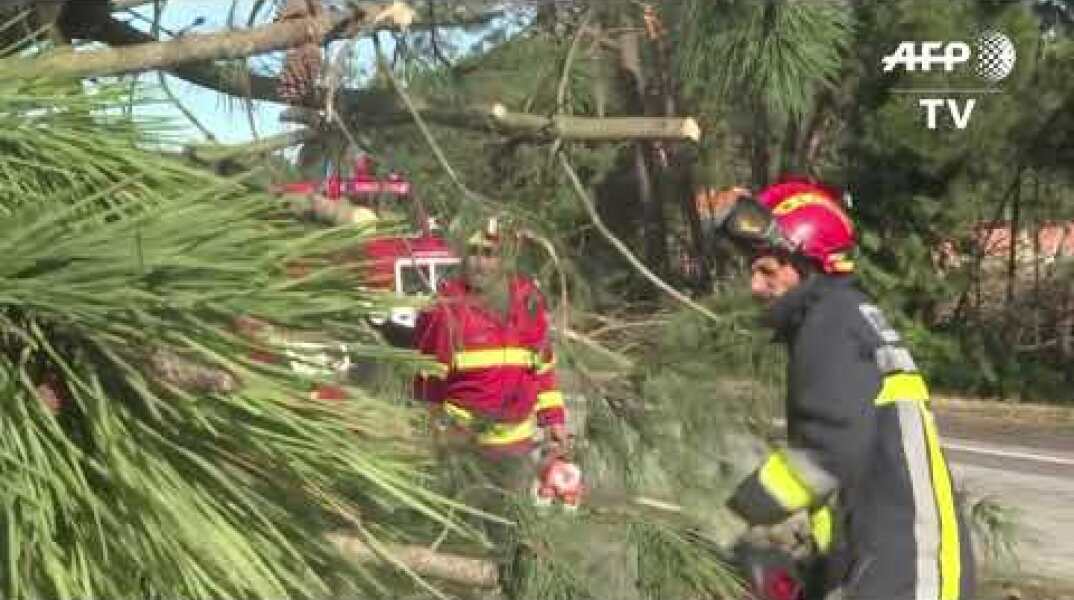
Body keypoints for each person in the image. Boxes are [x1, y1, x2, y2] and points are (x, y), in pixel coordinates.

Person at [696, 177, 975, 600]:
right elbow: (848, 473)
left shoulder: (829, 323)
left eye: (767, 271)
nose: (755, 287)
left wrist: (737, 513)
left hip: (906, 574)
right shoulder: (846, 315)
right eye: (752, 271)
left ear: (808, 264)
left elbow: (825, 452)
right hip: (900, 564)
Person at [412, 218, 569, 496]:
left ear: (506, 259)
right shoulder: (446, 308)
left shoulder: (529, 302)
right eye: (473, 252)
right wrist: (436, 435)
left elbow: (542, 368)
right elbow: (427, 385)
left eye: (489, 254)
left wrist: (553, 420)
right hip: (463, 448)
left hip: (516, 450)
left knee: (509, 520)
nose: (479, 263)